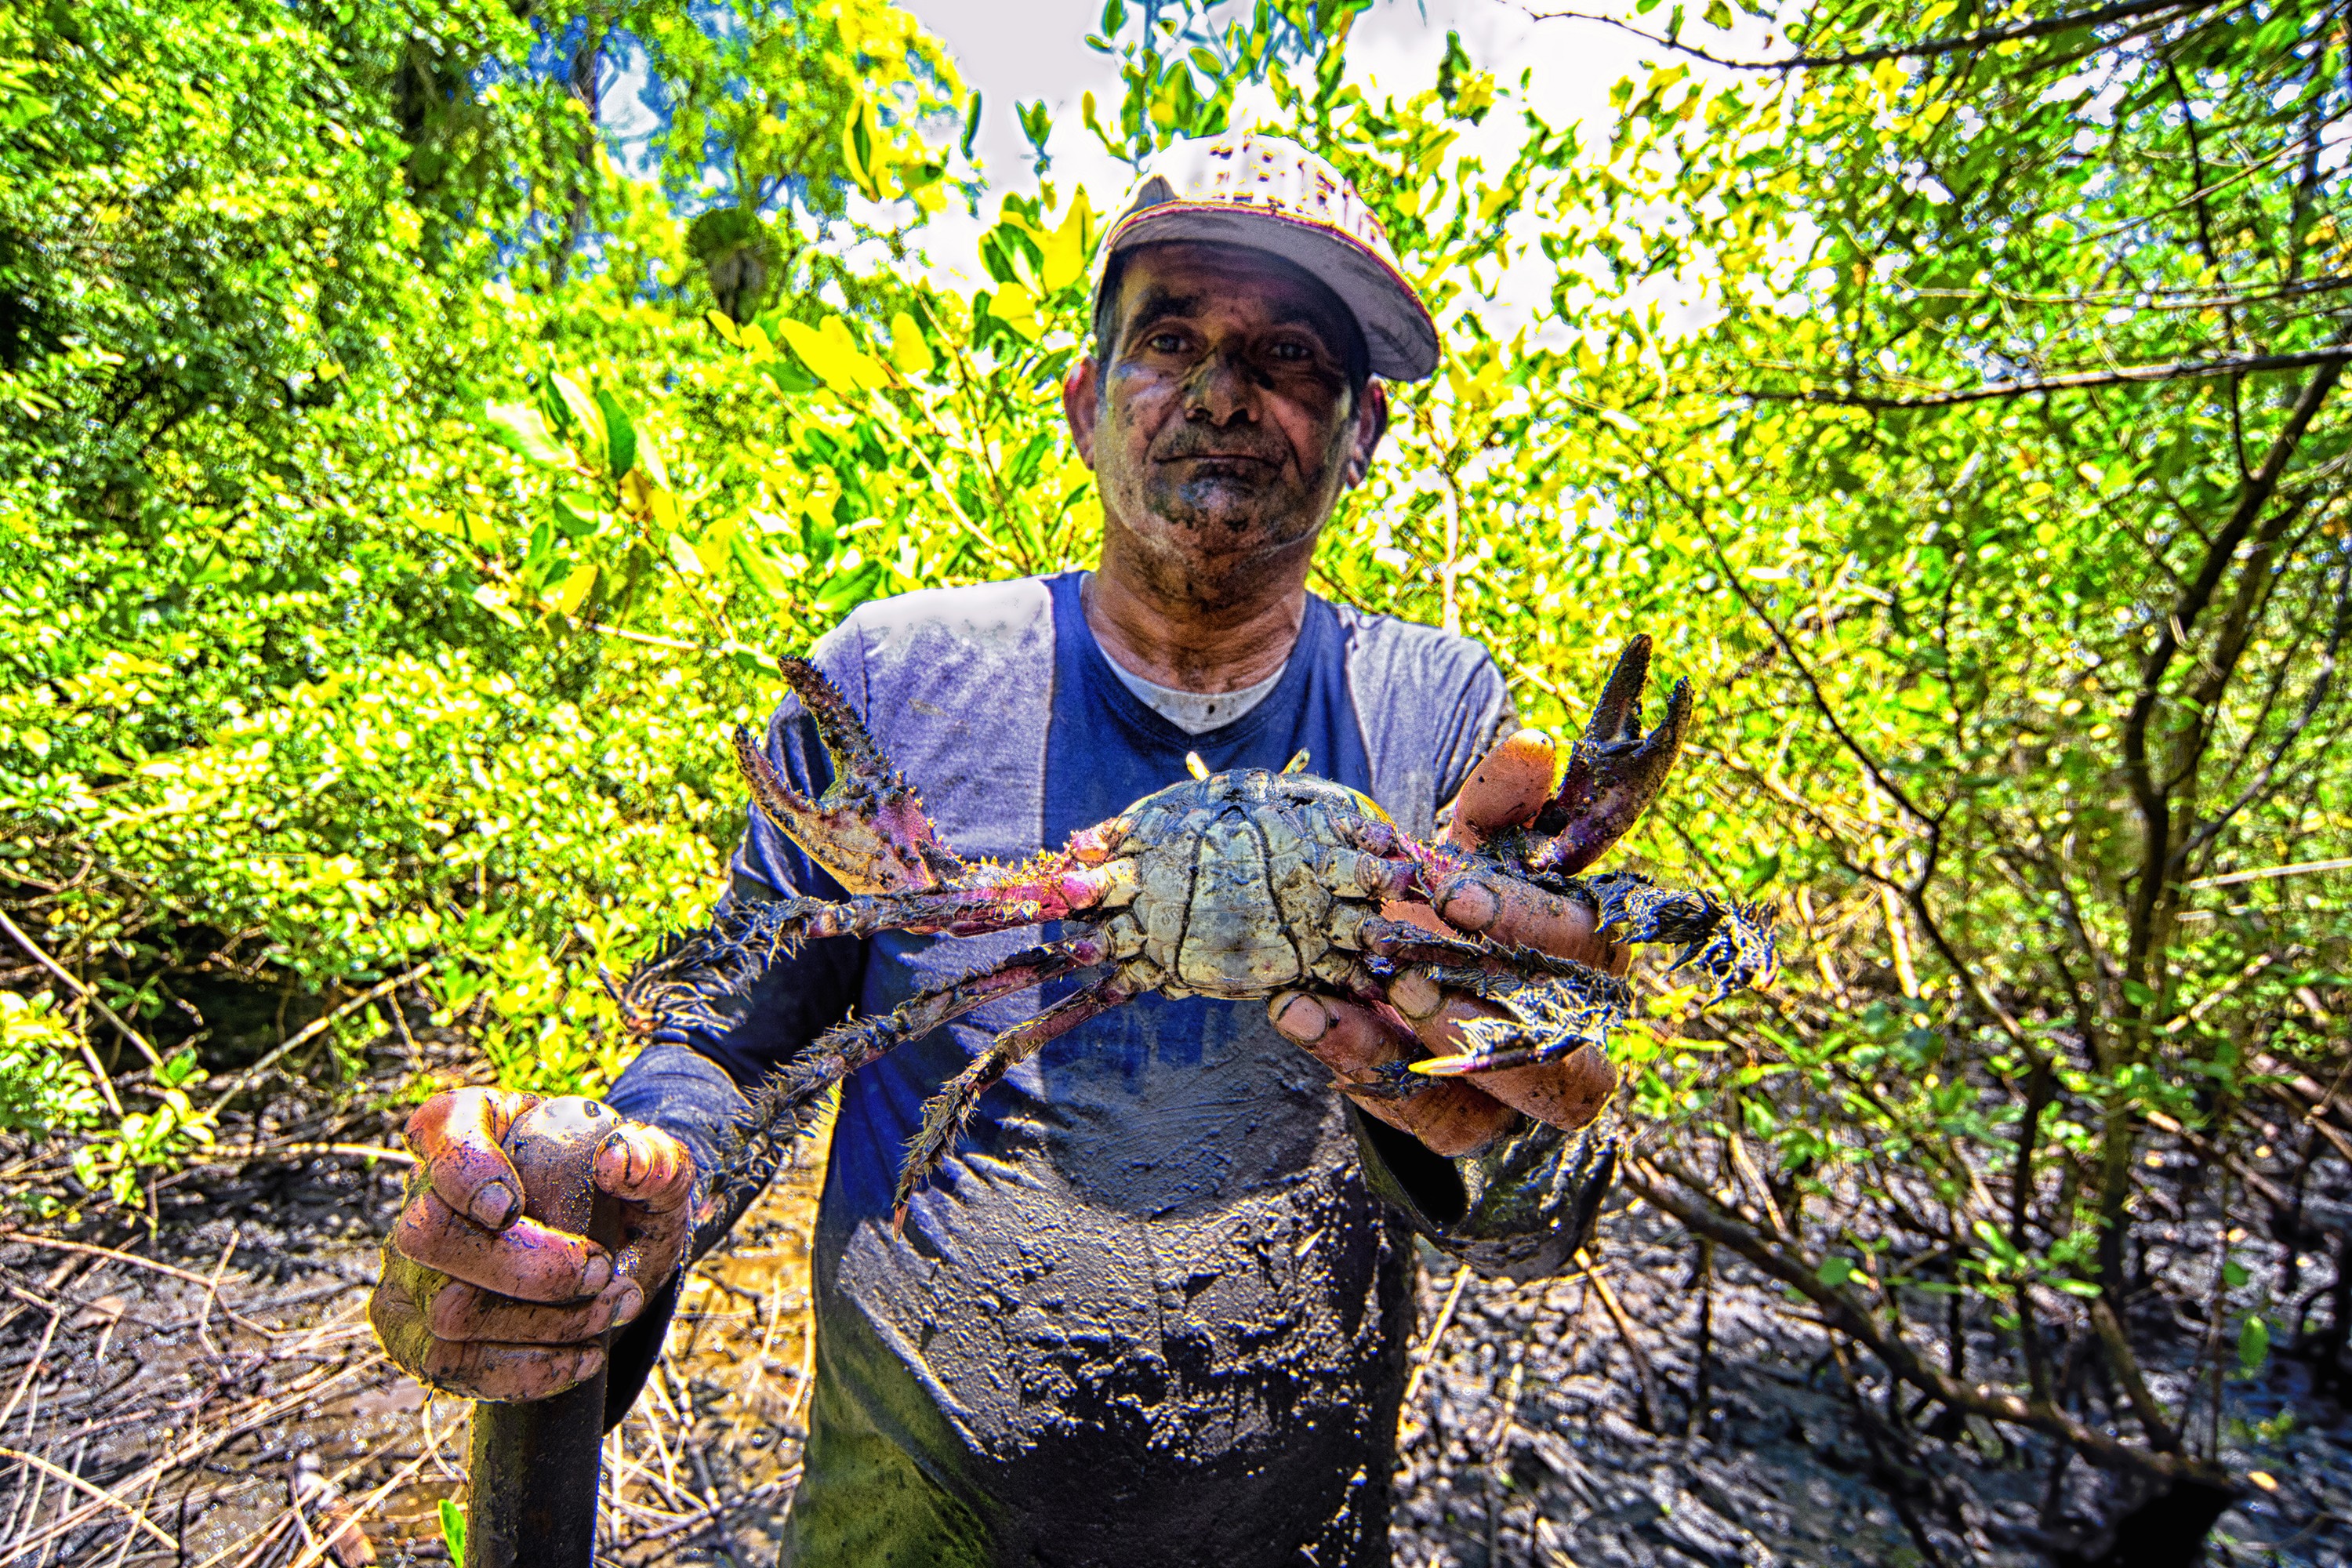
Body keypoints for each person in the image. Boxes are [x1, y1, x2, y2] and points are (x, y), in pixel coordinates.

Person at [370, 129, 1630, 1566]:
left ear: (1364, 433)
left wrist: (1515, 1126)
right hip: (907, 1535)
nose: (1225, 393)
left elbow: (1544, 1206)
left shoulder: (1443, 716)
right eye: (1172, 339)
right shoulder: (899, 684)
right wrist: (627, 1198)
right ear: (1089, 403)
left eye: (1291, 358)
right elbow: (735, 1040)